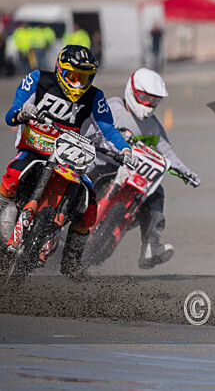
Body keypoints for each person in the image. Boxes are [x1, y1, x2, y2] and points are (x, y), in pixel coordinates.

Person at [0, 45, 133, 279]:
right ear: (61, 70)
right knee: (12, 177)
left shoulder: (95, 97)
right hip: (35, 149)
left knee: (89, 203)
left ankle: (71, 262)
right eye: (74, 77)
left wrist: (125, 150)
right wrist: (23, 112)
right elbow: (10, 114)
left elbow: (108, 129)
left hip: (70, 157)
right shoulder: (38, 79)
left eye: (85, 78)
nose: (80, 84)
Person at [86, 68, 201, 269]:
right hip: (104, 165)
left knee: (156, 193)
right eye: (144, 97)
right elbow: (89, 130)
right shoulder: (113, 108)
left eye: (154, 100)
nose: (148, 105)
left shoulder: (153, 126)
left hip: (134, 176)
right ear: (132, 90)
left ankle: (151, 245)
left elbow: (167, 151)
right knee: (84, 184)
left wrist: (186, 172)